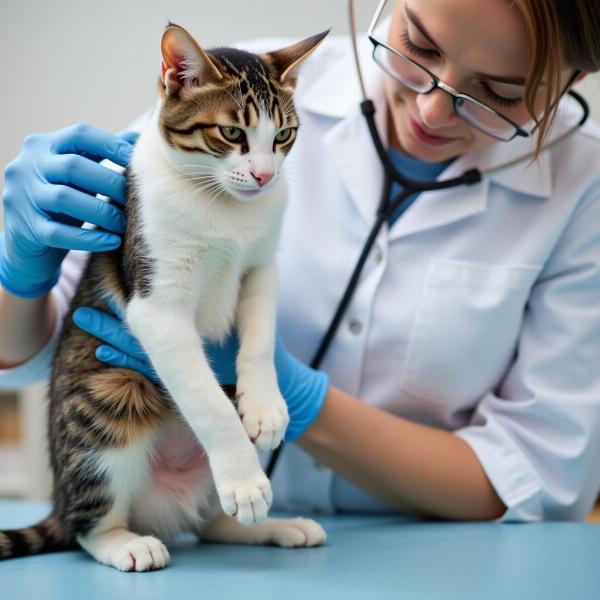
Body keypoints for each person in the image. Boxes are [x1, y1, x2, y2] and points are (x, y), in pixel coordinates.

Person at [1, 0, 600, 522]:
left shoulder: (584, 192)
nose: (431, 111)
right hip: (191, 531)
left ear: (576, 77)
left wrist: (300, 398)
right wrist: (19, 270)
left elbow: (539, 480)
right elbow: (57, 350)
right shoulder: (244, 87)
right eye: (418, 44)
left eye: (501, 93)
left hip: (427, 553)